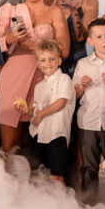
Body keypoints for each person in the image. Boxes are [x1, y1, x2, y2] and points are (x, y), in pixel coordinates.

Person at [0, 0, 69, 154]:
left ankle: (38, 183)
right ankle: (7, 183)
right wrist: (11, 39)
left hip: (44, 78)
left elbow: (65, 50)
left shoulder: (55, 12)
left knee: (41, 146)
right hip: (13, 76)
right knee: (9, 147)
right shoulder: (10, 11)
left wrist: (30, 45)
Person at [73, 18, 105, 205]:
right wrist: (82, 86)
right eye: (99, 37)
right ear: (91, 41)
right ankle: (89, 206)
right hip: (88, 122)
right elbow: (74, 95)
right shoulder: (83, 64)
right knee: (88, 167)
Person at [28, 39, 75, 187]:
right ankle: (45, 207)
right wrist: (28, 112)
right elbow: (35, 111)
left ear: (59, 61)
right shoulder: (39, 87)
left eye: (52, 59)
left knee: (56, 175)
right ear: (38, 64)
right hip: (40, 134)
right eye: (43, 60)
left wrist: (41, 114)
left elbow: (61, 102)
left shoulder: (64, 79)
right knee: (39, 176)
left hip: (56, 133)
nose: (48, 63)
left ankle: (62, 207)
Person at [56, 0, 99, 75]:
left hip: (77, 63)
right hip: (54, 63)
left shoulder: (90, 2)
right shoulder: (53, 2)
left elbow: (81, 37)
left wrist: (74, 9)